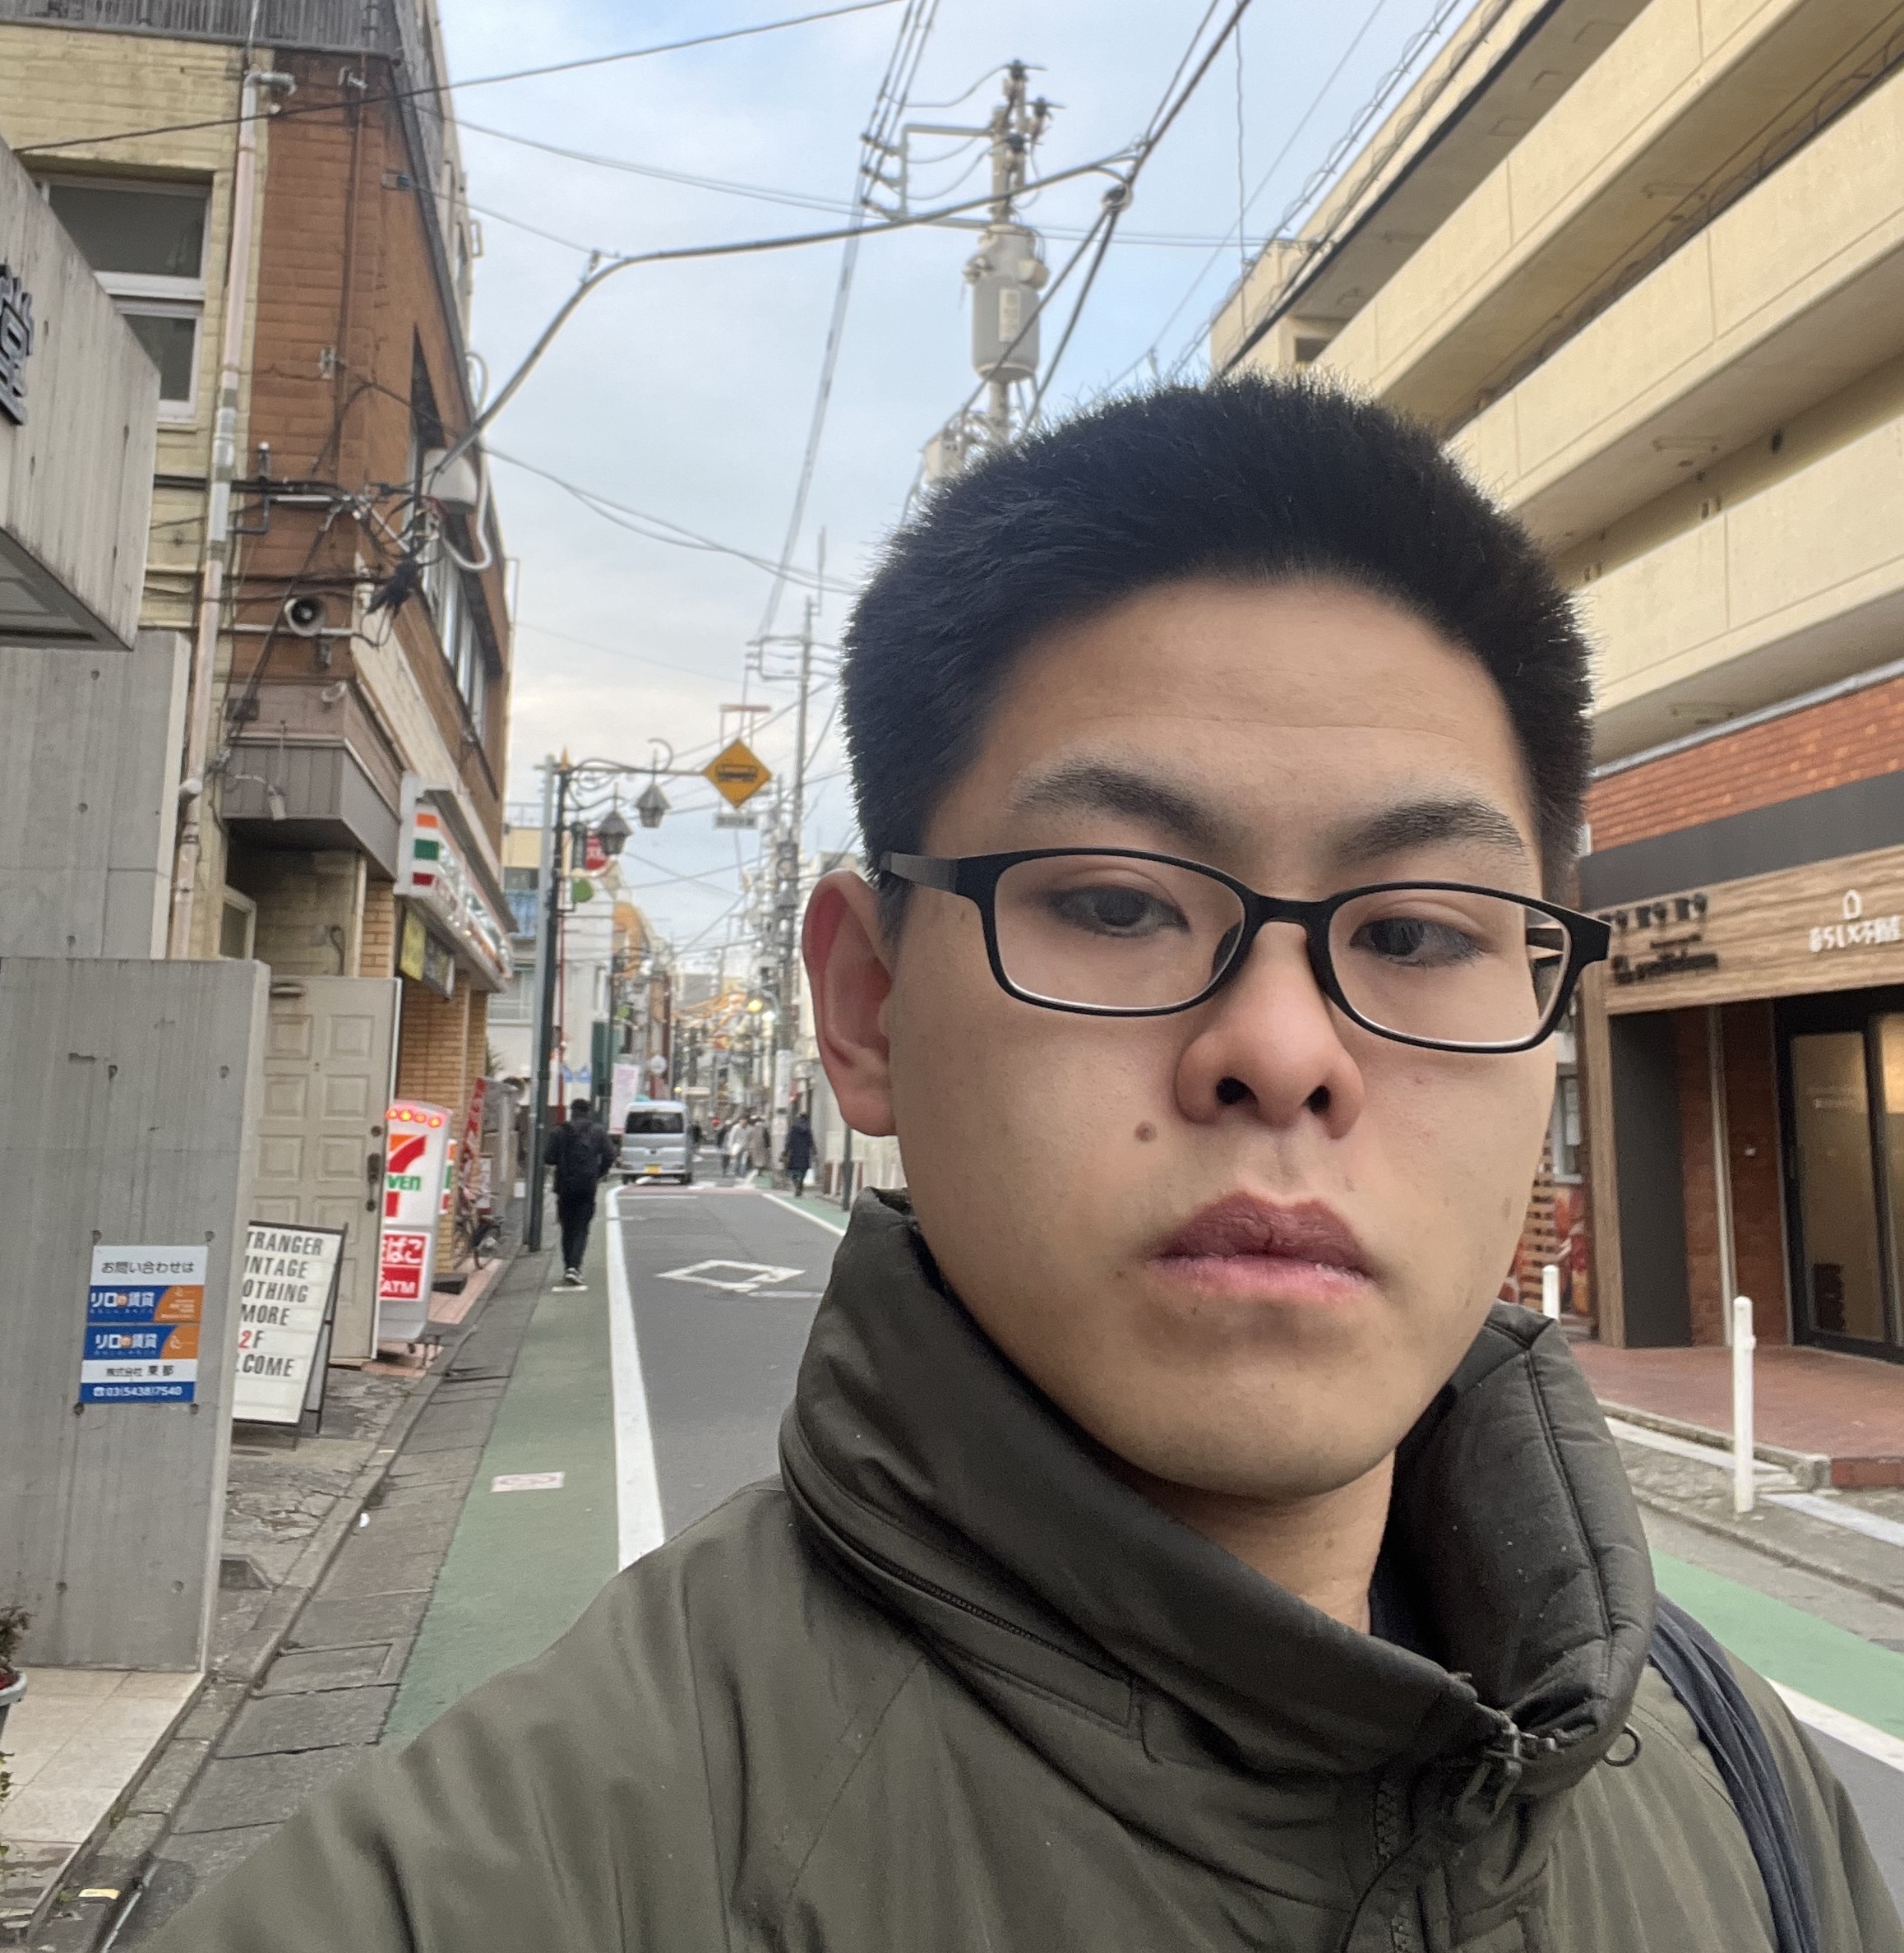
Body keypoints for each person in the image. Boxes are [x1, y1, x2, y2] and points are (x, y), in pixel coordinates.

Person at [159, 380, 1902, 1951]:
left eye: (1419, 930)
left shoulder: (1746, 1793)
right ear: (867, 1004)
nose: (1282, 1046)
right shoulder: (487, 1889)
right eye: (1121, 902)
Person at [543, 1101, 614, 1288]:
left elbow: (548, 1157)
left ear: (572, 1111)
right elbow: (610, 1154)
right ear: (588, 1112)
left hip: (564, 1185)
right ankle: (574, 1267)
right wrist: (598, 1172)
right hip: (587, 1185)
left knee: (567, 1227)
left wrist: (563, 1160)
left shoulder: (559, 1131)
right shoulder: (597, 1131)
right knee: (582, 1227)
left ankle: (568, 1266)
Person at [783, 1107, 814, 1198]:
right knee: (803, 1170)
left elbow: (789, 1140)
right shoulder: (808, 1129)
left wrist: (786, 1151)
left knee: (793, 1170)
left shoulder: (794, 1128)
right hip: (805, 1153)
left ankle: (796, 1182)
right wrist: (814, 1151)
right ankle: (800, 1183)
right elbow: (811, 1141)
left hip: (795, 1152)